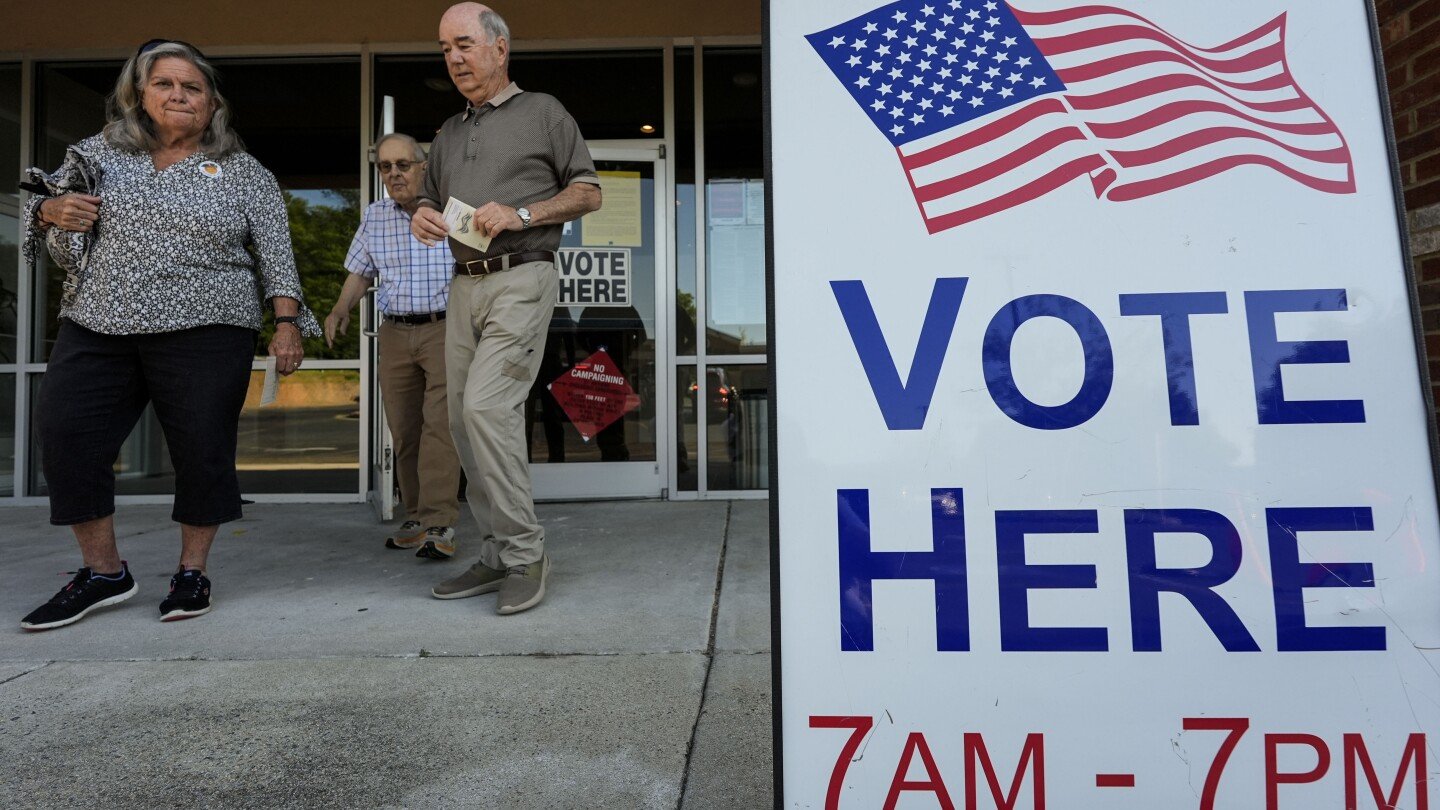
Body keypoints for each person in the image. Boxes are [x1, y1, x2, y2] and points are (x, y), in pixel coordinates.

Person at [18, 40, 320, 631]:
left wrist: (286, 326)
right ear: (140, 93)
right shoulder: (99, 154)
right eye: (166, 85)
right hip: (99, 322)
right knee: (66, 435)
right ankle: (103, 572)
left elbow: (278, 259)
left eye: (193, 88)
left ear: (212, 103)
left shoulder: (244, 171)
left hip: (208, 327)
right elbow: (45, 205)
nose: (179, 96)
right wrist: (50, 213)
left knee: (202, 451)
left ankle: (191, 572)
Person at [412, 3, 601, 614]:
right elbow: (430, 199)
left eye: (464, 45)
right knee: (463, 423)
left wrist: (522, 213)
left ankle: (524, 553)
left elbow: (589, 191)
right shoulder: (448, 131)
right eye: (445, 49)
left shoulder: (543, 112)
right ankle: (496, 551)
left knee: (487, 408)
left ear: (499, 48)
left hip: (522, 275)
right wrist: (421, 214)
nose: (455, 59)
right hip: (463, 283)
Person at [326, 133, 462, 558]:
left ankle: (440, 523)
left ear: (423, 167)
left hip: (444, 328)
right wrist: (340, 308)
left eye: (403, 164)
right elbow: (360, 271)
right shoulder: (376, 215)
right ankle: (417, 513)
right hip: (396, 332)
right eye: (385, 167)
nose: (394, 173)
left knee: (440, 427)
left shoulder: (450, 211)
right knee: (404, 430)